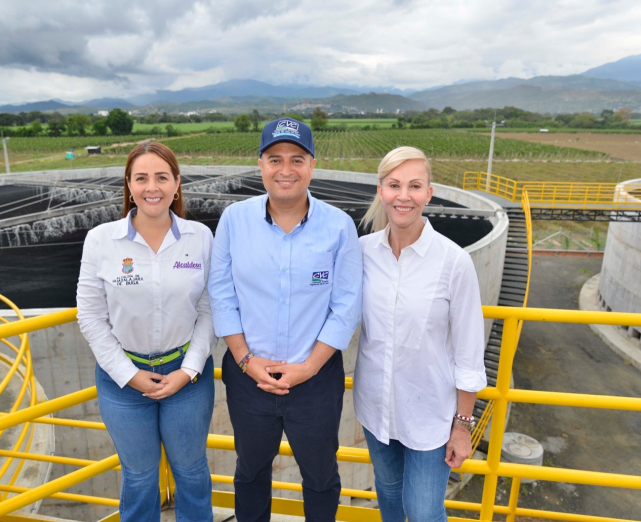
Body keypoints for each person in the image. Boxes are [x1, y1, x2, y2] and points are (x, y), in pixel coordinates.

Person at [208, 117, 363, 522]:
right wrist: (244, 359)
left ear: (313, 165)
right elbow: (222, 294)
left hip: (315, 380)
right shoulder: (234, 221)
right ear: (260, 164)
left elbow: (346, 305)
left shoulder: (339, 227)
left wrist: (308, 367)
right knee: (251, 471)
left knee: (320, 474)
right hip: (248, 375)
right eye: (274, 159)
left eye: (297, 159)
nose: (286, 170)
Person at [77, 141, 216, 522]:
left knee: (191, 472)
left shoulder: (200, 238)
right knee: (138, 477)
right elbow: (89, 316)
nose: (151, 187)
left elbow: (209, 310)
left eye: (161, 177)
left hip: (186, 378)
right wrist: (130, 375)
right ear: (128, 184)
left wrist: (188, 371)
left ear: (176, 184)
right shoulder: (101, 240)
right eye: (141, 178)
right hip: (122, 381)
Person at [353, 146, 487, 522]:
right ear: (381, 190)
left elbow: (469, 352)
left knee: (425, 512)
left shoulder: (453, 262)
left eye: (415, 185)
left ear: (429, 193)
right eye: (394, 185)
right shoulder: (362, 253)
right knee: (390, 500)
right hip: (376, 409)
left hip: (431, 415)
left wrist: (463, 426)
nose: (404, 195)